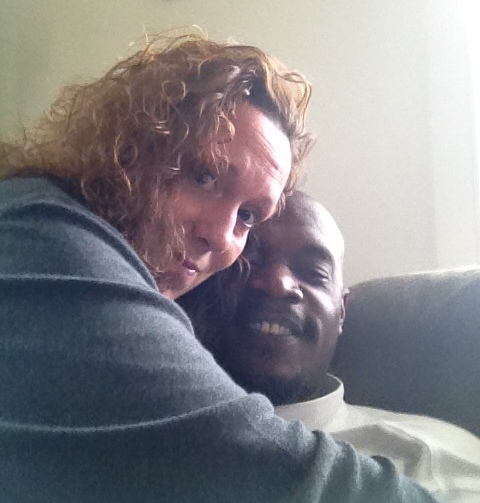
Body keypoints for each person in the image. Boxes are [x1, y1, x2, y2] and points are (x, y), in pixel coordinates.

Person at [0, 29, 439, 502]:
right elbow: (260, 465)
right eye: (203, 175)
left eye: (247, 215)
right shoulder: (44, 238)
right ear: (129, 148)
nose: (221, 236)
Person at [179, 190, 480, 503]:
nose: (278, 284)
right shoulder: (156, 432)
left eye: (313, 272)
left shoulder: (425, 458)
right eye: (248, 261)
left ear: (342, 312)